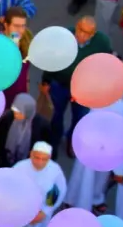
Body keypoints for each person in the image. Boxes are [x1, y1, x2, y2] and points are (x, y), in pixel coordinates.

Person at [43, 16, 111, 156]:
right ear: (76, 26)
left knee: (80, 119)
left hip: (83, 90)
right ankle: (54, 141)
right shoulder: (64, 37)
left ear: (93, 34)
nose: (81, 35)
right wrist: (46, 81)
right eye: (80, 29)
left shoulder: (102, 42)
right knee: (55, 115)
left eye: (87, 33)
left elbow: (104, 64)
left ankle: (72, 142)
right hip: (60, 85)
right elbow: (52, 60)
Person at [13, 142, 67, 227]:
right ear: (31, 154)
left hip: (41, 215)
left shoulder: (54, 171)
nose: (39, 162)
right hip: (21, 212)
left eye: (44, 159)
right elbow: (11, 188)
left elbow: (57, 192)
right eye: (36, 158)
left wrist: (44, 212)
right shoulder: (20, 167)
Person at [0, 93, 50, 169]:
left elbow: (45, 149)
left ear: (28, 112)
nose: (15, 114)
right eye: (14, 111)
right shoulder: (9, 118)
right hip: (6, 162)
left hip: (27, 167)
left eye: (19, 112)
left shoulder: (41, 126)